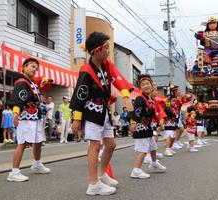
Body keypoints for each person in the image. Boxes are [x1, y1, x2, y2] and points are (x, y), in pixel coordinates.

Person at [70, 31, 134, 196]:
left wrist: (126, 96)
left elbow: (119, 79)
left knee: (111, 145)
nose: (108, 51)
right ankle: (93, 184)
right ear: (97, 50)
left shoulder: (107, 65)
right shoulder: (86, 70)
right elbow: (80, 95)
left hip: (104, 111)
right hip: (91, 111)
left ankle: (101, 174)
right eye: (106, 48)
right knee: (95, 145)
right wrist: (77, 119)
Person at [7, 57, 51, 182]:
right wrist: (15, 113)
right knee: (23, 143)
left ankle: (37, 164)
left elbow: (42, 81)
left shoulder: (32, 82)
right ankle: (14, 172)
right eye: (32, 66)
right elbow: (18, 98)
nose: (35, 70)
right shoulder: (22, 82)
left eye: (36, 68)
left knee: (38, 141)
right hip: (26, 117)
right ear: (24, 67)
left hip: (35, 117)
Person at [129, 74, 167, 179]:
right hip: (140, 126)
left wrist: (161, 121)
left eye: (147, 84)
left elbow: (157, 112)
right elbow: (135, 112)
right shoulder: (140, 99)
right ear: (140, 88)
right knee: (143, 149)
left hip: (148, 126)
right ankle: (136, 170)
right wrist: (133, 123)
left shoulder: (152, 99)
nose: (146, 86)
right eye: (143, 85)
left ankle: (154, 163)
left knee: (153, 146)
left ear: (151, 85)